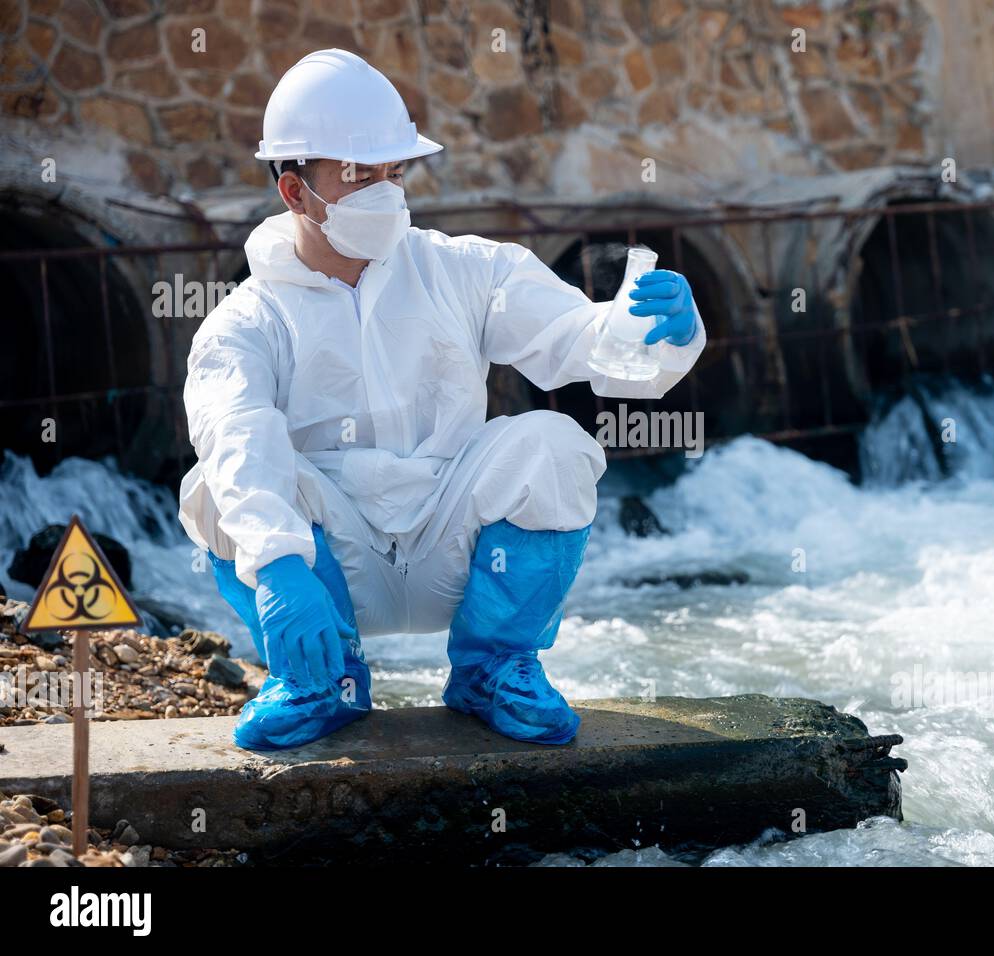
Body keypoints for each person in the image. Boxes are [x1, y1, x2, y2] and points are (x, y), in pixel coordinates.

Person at [177, 49, 705, 751]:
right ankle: (319, 681)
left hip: (453, 552)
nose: (385, 191)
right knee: (213, 487)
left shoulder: (462, 269)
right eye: (358, 175)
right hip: (329, 566)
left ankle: (493, 670)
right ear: (295, 191)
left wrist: (660, 333)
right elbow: (235, 432)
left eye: (395, 172)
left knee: (552, 446)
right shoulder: (247, 320)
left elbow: (583, 340)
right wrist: (276, 563)